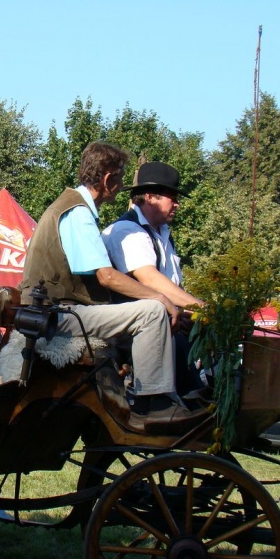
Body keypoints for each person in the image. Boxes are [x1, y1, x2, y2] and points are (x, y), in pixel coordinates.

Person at [20, 141, 206, 424]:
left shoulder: (74, 208)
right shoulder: (78, 213)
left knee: (154, 310)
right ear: (108, 178)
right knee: (152, 311)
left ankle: (173, 394)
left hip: (55, 311)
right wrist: (160, 299)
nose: (120, 187)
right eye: (119, 177)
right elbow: (105, 276)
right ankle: (151, 403)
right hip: (55, 316)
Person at [101, 160, 206, 396]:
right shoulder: (128, 230)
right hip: (128, 328)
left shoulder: (162, 233)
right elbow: (149, 279)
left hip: (162, 322)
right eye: (172, 197)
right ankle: (169, 407)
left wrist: (189, 313)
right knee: (177, 346)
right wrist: (201, 308)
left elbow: (171, 285)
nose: (177, 204)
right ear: (150, 197)